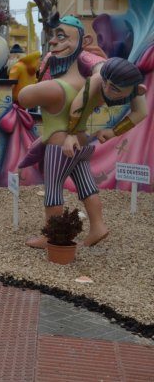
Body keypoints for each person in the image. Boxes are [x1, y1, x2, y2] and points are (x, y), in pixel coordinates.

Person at [18, 16, 107, 249]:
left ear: (82, 42)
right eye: (53, 37)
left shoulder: (56, 87)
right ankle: (98, 225)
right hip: (81, 143)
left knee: (53, 189)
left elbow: (23, 97)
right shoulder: (88, 85)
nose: (53, 42)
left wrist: (42, 72)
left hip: (60, 148)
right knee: (87, 185)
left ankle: (52, 237)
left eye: (62, 36)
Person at [60, 57, 148, 245]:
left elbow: (141, 112)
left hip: (98, 72)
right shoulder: (98, 80)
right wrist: (71, 134)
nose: (107, 90)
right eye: (106, 84)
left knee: (73, 165)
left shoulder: (135, 89)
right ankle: (89, 226)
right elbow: (77, 105)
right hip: (83, 71)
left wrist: (113, 131)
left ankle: (94, 226)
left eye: (115, 88)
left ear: (137, 90)